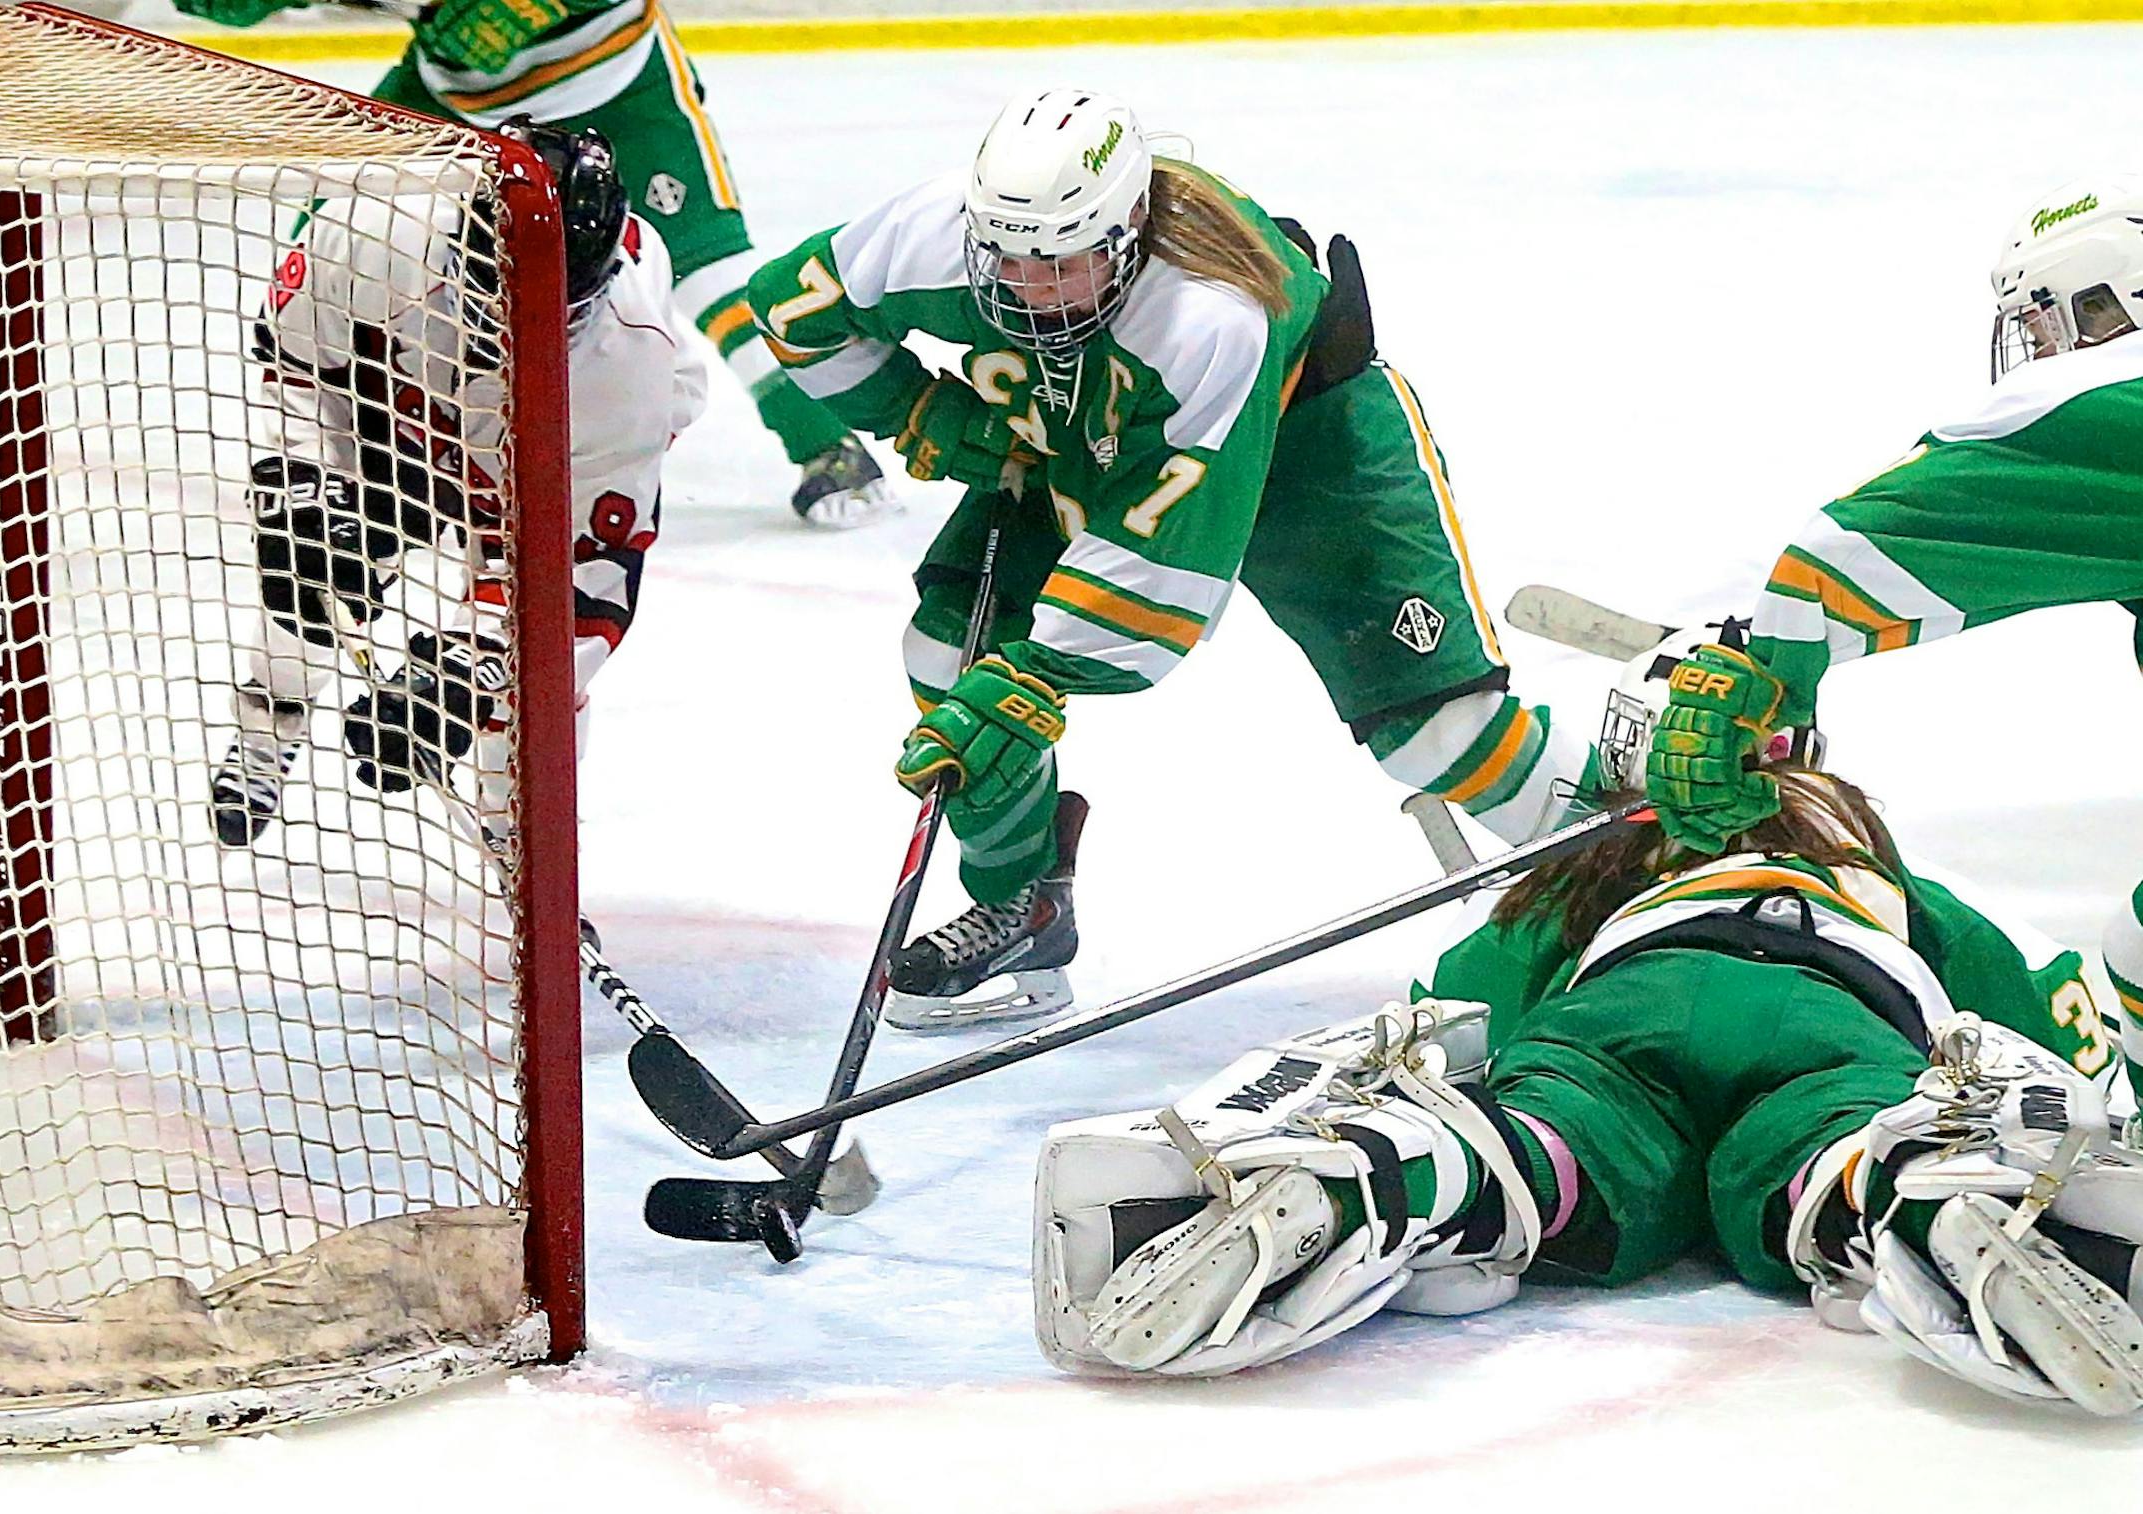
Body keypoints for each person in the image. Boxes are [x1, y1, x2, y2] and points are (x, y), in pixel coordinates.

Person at [1034, 642, 2143, 1414]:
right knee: (1836, 1143)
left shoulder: (1584, 867)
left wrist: (1475, 1090)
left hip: (1628, 996)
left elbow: (1459, 1014)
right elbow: (2036, 1011)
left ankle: (1393, 1176)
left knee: (1539, 1139)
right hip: (1833, 997)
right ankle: (1922, 1195)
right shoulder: (1869, 856)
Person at [746, 87, 1601, 1029]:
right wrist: (920, 410)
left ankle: (1657, 869)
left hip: (1304, 446)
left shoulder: (1207, 316)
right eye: (1009, 258)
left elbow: (1168, 568)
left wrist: (1038, 676)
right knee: (951, 664)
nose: (1027, 286)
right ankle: (1025, 905)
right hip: (1089, 434)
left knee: (1440, 731)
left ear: (1124, 234)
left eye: (1061, 263)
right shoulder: (942, 231)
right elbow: (794, 304)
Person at [1643, 177, 2143, 1089]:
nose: (2040, 355)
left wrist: (1745, 675)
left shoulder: (2109, 400)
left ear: (2113, 298)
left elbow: (1824, 566)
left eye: (2043, 327)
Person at [170, 0, 892, 527]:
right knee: (337, 229)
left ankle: (827, 443)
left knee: (706, 271)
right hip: (456, 90)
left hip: (617, 80)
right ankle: (327, 456)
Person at [210, 119, 708, 848]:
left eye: (553, 310)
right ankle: (265, 734)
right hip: (393, 408)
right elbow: (294, 364)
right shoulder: (376, 221)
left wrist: (463, 679)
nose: (517, 329)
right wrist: (302, 480)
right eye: (494, 295)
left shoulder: (629, 378)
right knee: (312, 576)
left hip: (547, 457)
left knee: (538, 696)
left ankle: (532, 859)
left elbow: (578, 587)